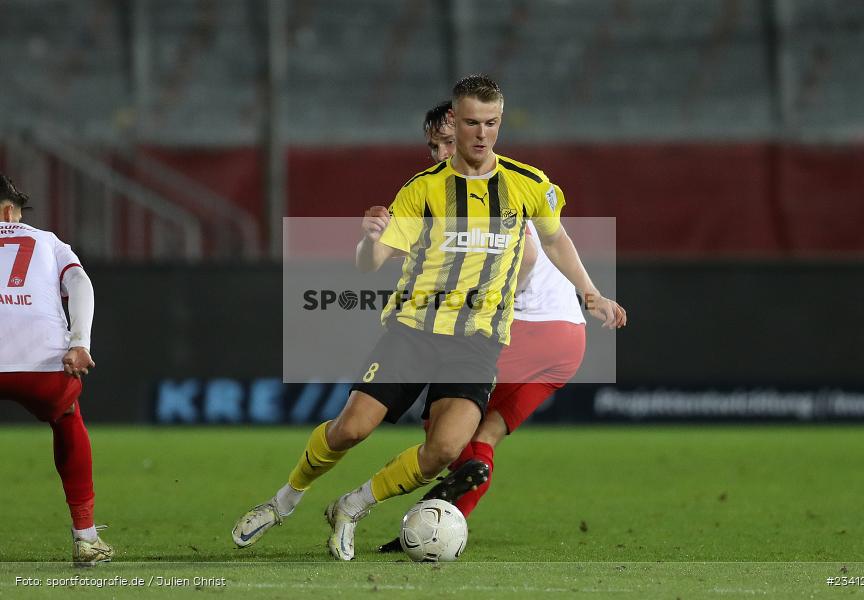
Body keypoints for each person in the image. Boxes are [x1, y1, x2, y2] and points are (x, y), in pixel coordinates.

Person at [232, 75, 625, 560]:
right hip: (414, 333)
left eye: (491, 123)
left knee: (444, 449)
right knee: (351, 429)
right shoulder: (423, 190)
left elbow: (554, 240)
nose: (481, 134)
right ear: (455, 123)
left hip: (476, 344)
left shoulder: (527, 184)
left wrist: (591, 293)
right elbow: (371, 263)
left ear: (499, 122)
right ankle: (283, 502)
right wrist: (368, 240)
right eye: (472, 123)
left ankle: (352, 506)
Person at [377, 101, 589, 552]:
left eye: (447, 143)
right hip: (567, 338)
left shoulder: (486, 191)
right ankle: (438, 526)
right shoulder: (481, 188)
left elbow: (526, 255)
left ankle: (436, 507)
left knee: (445, 416)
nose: (439, 154)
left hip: (532, 325)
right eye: (433, 146)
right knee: (482, 437)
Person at [0, 174, 113, 567]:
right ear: (8, 212)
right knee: (66, 417)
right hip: (42, 366)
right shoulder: (47, 241)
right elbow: (79, 282)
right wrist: (80, 343)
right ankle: (86, 537)